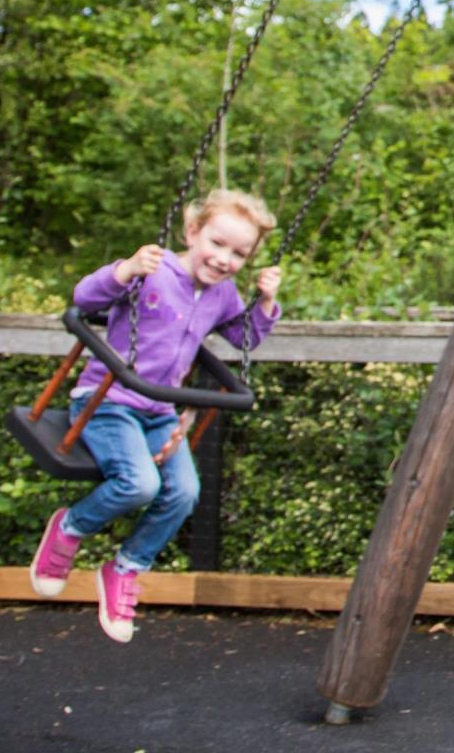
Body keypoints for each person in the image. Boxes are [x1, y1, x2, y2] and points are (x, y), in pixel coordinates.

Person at [27, 189, 284, 642]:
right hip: (106, 402)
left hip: (158, 409)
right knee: (140, 484)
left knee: (185, 492)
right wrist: (124, 270)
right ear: (192, 232)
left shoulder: (223, 295)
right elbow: (84, 299)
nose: (224, 259)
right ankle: (69, 528)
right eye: (217, 243)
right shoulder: (153, 269)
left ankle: (125, 568)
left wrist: (263, 304)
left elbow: (243, 340)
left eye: (239, 253)